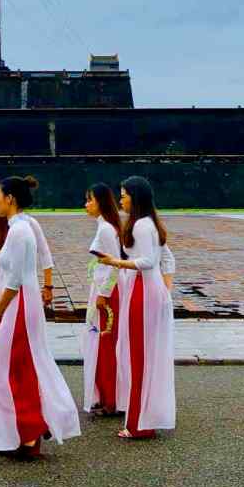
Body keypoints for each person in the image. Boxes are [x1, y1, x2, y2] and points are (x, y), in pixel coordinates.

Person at [0, 176, 80, 459]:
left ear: (10, 198)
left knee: (0, 368)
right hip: (22, 302)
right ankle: (28, 430)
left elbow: (15, 279)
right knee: (18, 368)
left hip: (19, 304)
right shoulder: (18, 229)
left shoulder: (20, 231)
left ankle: (30, 429)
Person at [98, 176, 175, 440]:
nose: (121, 200)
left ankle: (139, 423)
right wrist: (165, 290)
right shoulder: (151, 223)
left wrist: (115, 262)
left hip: (142, 290)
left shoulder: (142, 225)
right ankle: (142, 420)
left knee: (138, 357)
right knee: (143, 356)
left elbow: (148, 261)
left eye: (124, 195)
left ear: (135, 197)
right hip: (149, 289)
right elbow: (167, 259)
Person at [0, 196, 55, 411]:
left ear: (10, 199)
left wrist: (48, 286)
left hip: (19, 286)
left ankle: (28, 389)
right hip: (5, 283)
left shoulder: (27, 224)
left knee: (18, 340)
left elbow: (45, 253)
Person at [81, 183, 122, 417]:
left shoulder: (106, 229)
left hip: (106, 292)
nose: (86, 205)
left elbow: (115, 265)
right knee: (100, 343)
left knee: (104, 344)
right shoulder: (105, 227)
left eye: (90, 200)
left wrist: (103, 294)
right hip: (102, 288)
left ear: (101, 202)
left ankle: (110, 399)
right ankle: (104, 396)